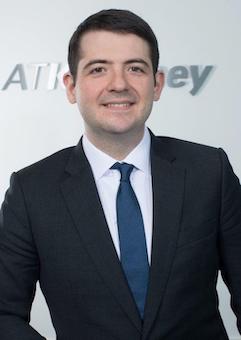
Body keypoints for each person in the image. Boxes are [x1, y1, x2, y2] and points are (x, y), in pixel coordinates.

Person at [0, 9, 240, 340]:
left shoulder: (209, 171)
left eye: (135, 68)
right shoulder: (31, 191)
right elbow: (4, 314)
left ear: (157, 85)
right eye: (98, 69)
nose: (119, 84)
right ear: (72, 87)